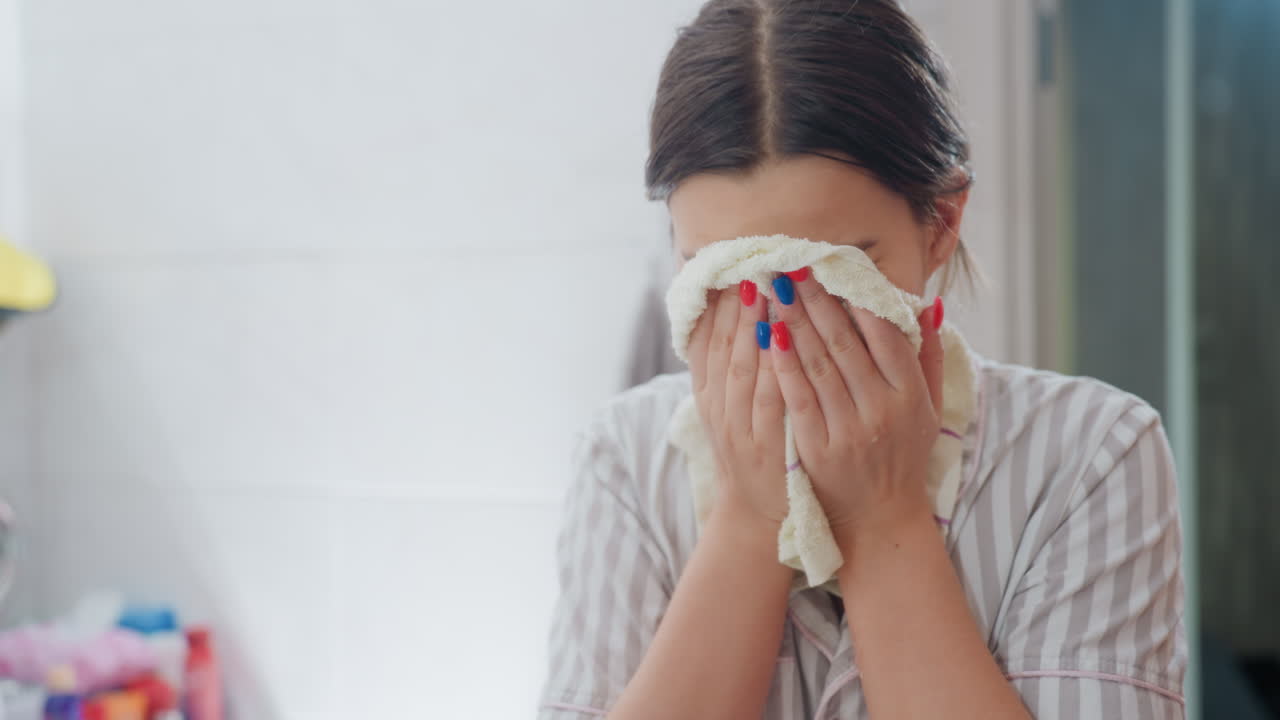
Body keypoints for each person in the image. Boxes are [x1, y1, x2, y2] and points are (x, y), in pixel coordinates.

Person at [537, 1, 1188, 717]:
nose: (781, 322)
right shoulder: (625, 460)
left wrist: (885, 521)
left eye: (825, 277)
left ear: (940, 225)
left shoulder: (1092, 455)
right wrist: (749, 520)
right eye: (722, 278)